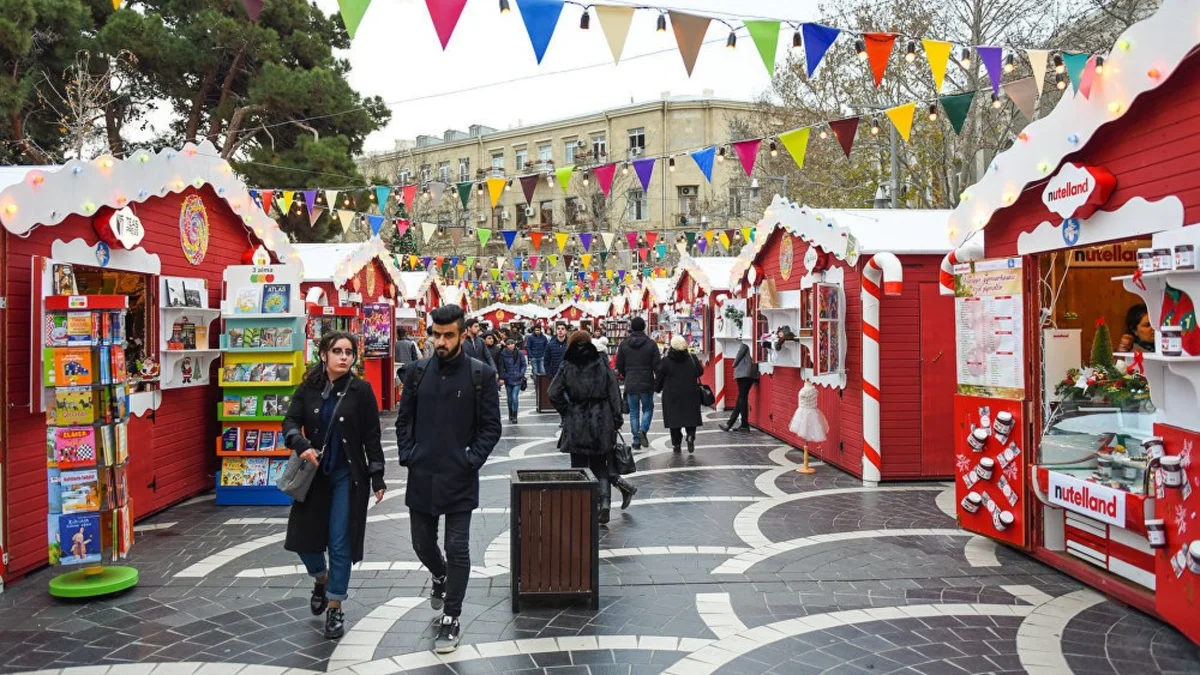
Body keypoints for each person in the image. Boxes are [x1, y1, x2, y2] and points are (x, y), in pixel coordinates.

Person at [395, 304, 502, 654]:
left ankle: (452, 617)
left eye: (448, 335)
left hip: (459, 477)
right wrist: (408, 453)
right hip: (422, 474)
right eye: (436, 335)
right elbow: (403, 420)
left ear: (461, 333)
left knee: (458, 548)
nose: (441, 341)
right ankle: (439, 576)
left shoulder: (480, 374)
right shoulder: (416, 372)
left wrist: (471, 460)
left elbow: (491, 428)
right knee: (422, 545)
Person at [282, 331, 386, 640]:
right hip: (314, 476)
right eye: (337, 351)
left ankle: (335, 606)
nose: (343, 356)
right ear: (323, 355)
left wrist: (377, 476)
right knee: (303, 542)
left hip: (348, 476)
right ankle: (321, 578)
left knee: (340, 542)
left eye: (349, 352)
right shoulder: (308, 388)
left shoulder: (361, 390)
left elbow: (372, 436)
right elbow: (288, 422)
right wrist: (300, 443)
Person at [549, 331, 635, 523]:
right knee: (599, 463)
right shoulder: (601, 363)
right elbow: (613, 392)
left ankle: (582, 505)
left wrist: (567, 410)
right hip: (601, 418)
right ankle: (604, 503)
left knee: (578, 465)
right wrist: (616, 418)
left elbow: (553, 392)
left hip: (577, 420)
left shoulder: (567, 365)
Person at [616, 317, 660, 450]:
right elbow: (657, 365)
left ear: (632, 328)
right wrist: (658, 380)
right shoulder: (651, 344)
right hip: (647, 380)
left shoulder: (624, 344)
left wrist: (626, 374)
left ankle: (636, 441)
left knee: (634, 412)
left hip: (631, 381)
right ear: (644, 327)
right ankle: (643, 429)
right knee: (648, 408)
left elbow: (619, 365)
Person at [656, 335, 704, 453]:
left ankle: (676, 444)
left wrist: (657, 388)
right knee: (690, 416)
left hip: (672, 394)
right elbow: (700, 371)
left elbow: (659, 377)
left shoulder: (666, 361)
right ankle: (690, 436)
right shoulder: (692, 358)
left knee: (674, 420)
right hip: (690, 392)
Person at [721, 341, 758, 432]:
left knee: (742, 398)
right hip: (752, 371)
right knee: (741, 398)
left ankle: (744, 424)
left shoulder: (746, 339)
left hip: (744, 371)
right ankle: (731, 423)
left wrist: (734, 364)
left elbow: (741, 352)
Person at [499, 338, 527, 423]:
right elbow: (501, 366)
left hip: (518, 378)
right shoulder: (503, 354)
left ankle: (515, 415)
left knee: (515, 397)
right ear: (506, 345)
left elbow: (523, 364)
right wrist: (504, 376)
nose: (510, 345)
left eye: (512, 344)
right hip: (508, 379)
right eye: (508, 344)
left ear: (515, 344)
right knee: (509, 399)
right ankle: (510, 413)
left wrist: (521, 373)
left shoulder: (519, 353)